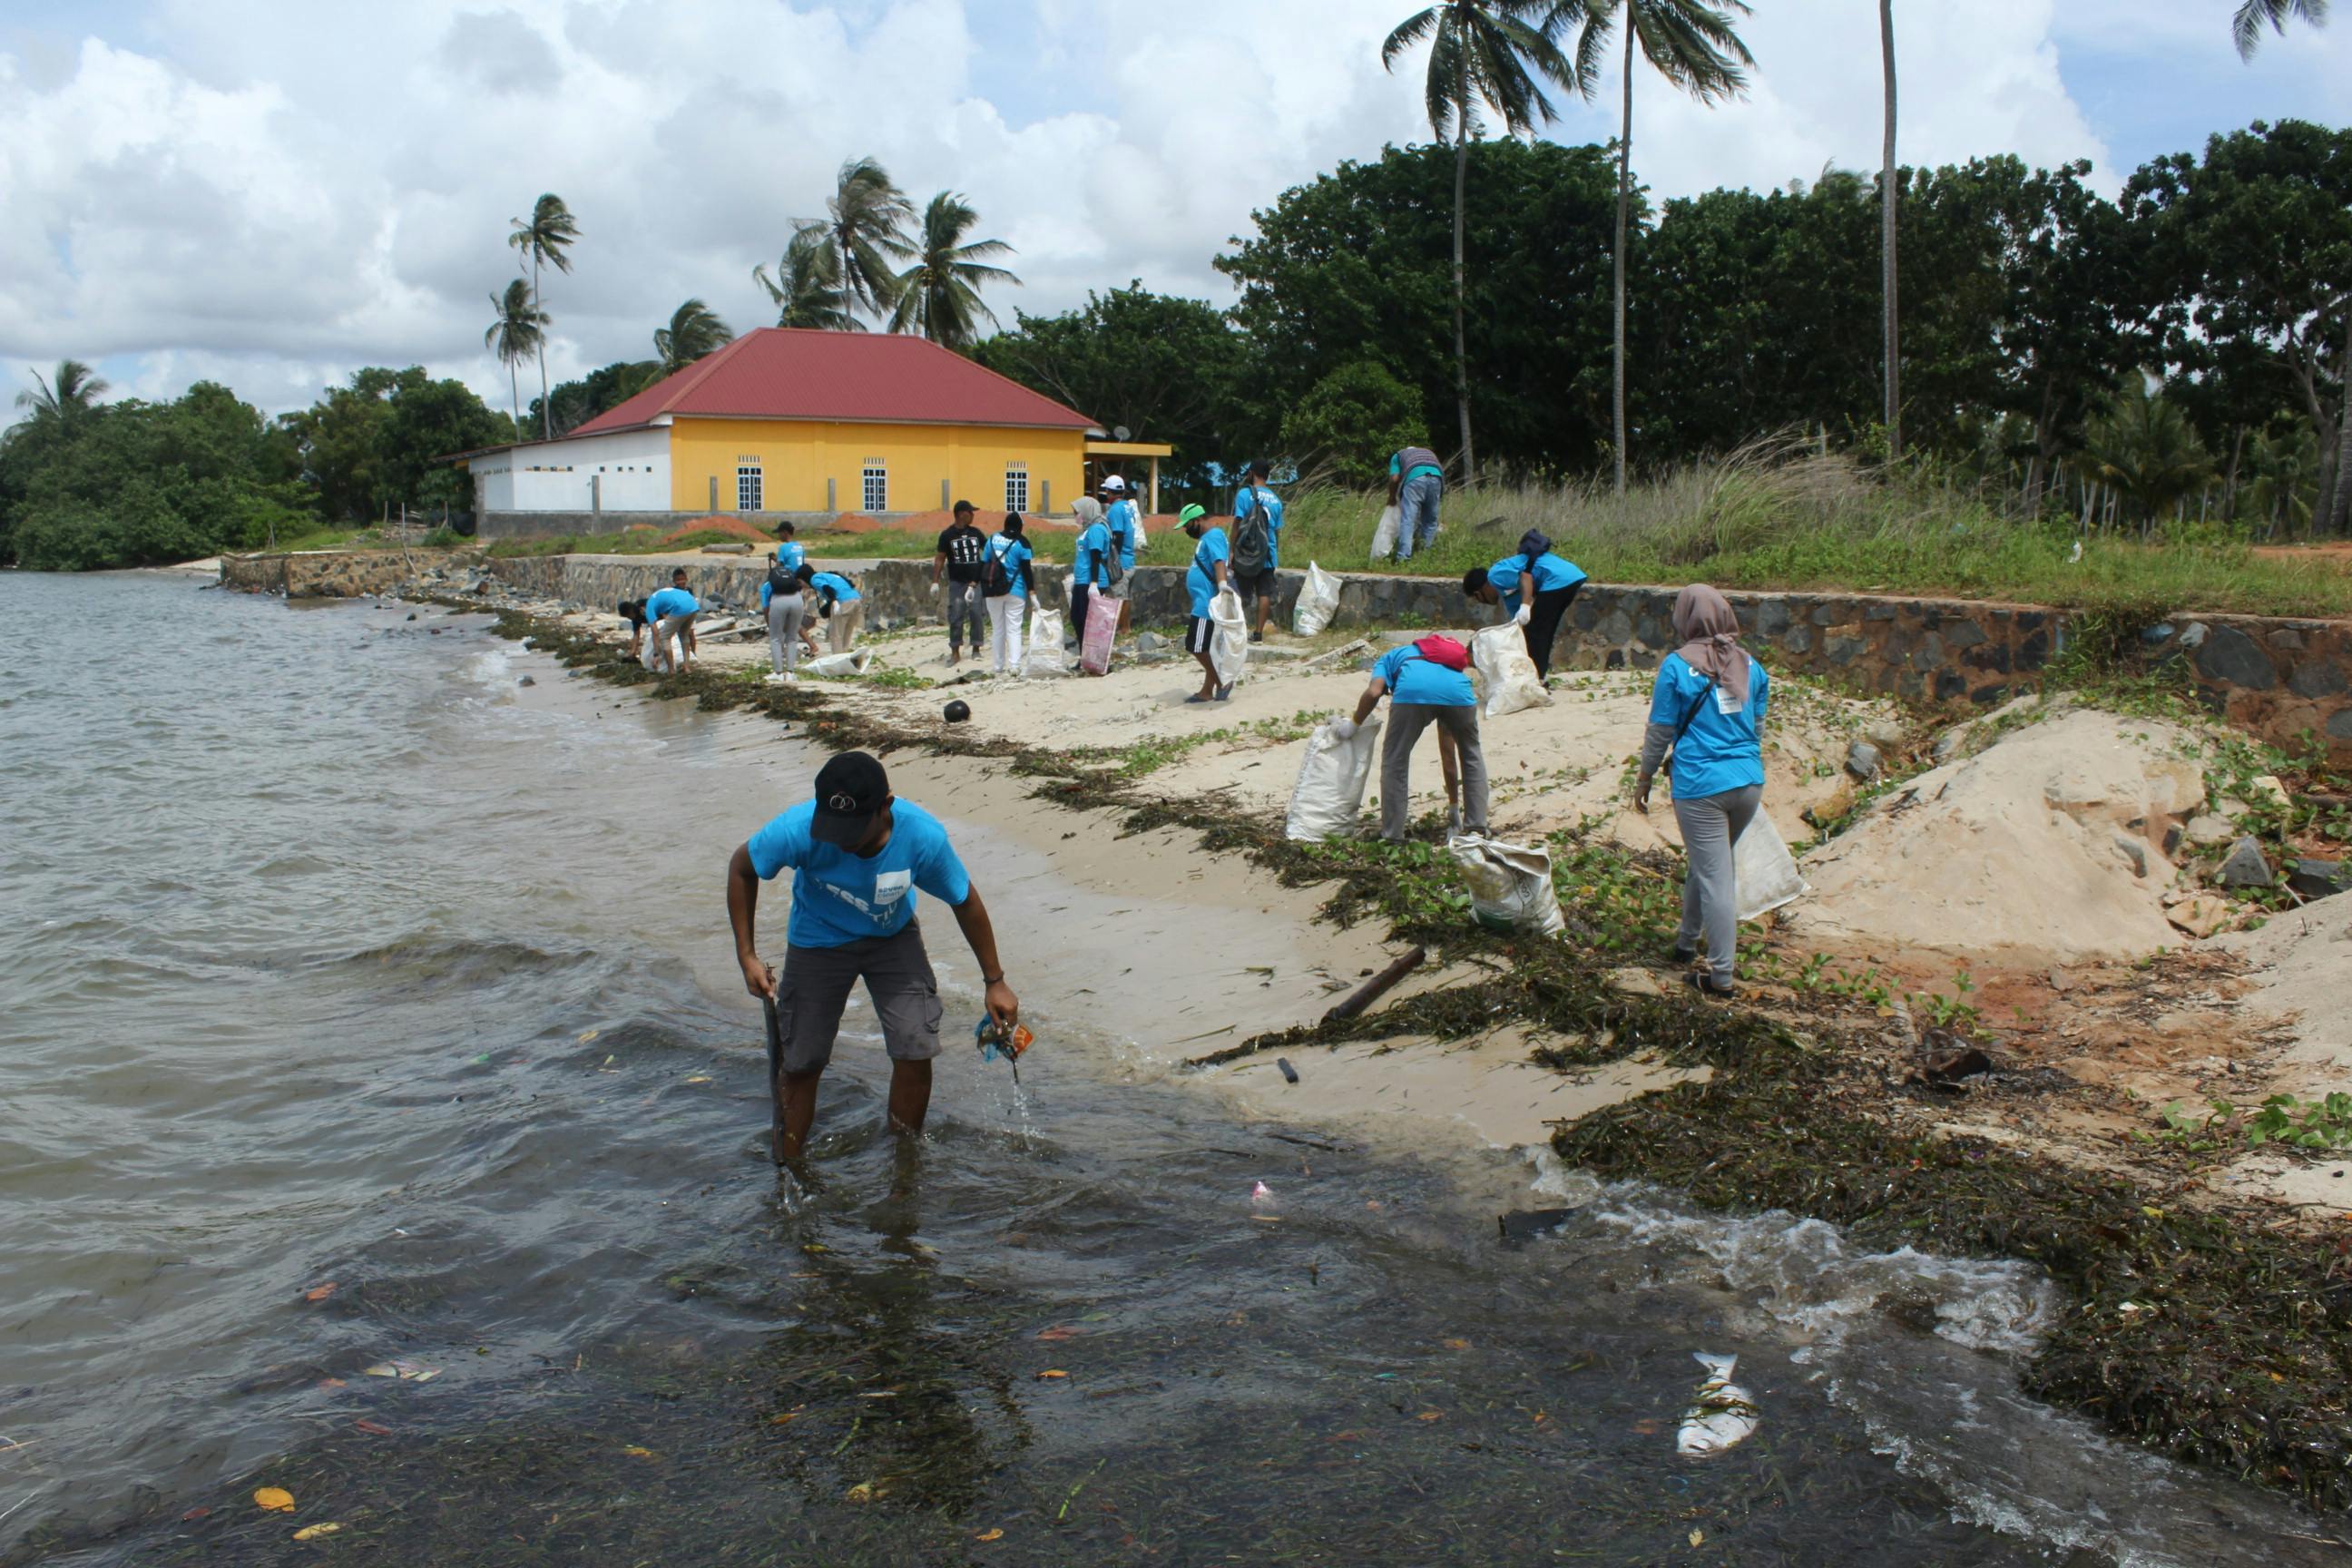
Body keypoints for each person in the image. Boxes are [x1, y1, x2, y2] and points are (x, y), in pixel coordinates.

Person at [726, 750, 1020, 1163]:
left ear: (886, 806)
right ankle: (788, 1166)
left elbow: (964, 900)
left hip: (892, 938)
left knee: (915, 1046)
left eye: (853, 829)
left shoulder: (921, 837)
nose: (841, 840)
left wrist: (995, 980)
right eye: (833, 827)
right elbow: (742, 867)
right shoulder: (798, 829)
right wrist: (747, 955)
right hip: (817, 942)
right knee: (802, 1060)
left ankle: (903, 1165)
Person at [1632, 585, 1769, 999]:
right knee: (1707, 863)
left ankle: (1721, 977)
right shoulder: (1750, 664)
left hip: (1699, 787)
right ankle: (1686, 943)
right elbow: (1757, 728)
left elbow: (1660, 732)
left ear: (1685, 617)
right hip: (1748, 782)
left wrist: (1645, 779)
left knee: (1715, 877)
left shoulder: (1675, 667)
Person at [1337, 635, 1489, 843]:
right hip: (1459, 695)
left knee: (1395, 760)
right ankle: (1477, 827)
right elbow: (1448, 754)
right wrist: (1453, 806)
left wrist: (1353, 725)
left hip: (1411, 694)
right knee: (1471, 755)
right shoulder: (1448, 664)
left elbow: (1373, 693)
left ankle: (1392, 836)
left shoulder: (1388, 658)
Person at [1461, 543, 1589, 681]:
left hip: (1557, 579)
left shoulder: (1495, 575)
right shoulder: (1508, 593)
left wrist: (1525, 606)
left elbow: (1526, 578)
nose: (1483, 602)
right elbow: (1519, 626)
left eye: (1478, 599)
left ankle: (1536, 679)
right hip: (1570, 578)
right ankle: (1539, 676)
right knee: (1541, 631)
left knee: (1536, 632)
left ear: (1478, 592)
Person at [1180, 503, 1231, 703]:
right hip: (1202, 600)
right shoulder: (1207, 538)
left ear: (1197, 520)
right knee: (1208, 647)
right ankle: (1207, 690)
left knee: (1196, 646)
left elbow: (1219, 561)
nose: (1186, 529)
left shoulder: (1214, 535)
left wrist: (1222, 585)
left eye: (1187, 525)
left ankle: (1222, 680)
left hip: (1205, 604)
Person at [1230, 459, 1283, 643]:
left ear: (1251, 473)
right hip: (1267, 553)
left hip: (1246, 553)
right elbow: (1276, 530)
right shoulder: (1276, 500)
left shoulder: (1245, 494)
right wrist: (1275, 552)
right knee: (1264, 593)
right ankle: (1258, 634)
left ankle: (1238, 631)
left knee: (1239, 594)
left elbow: (1237, 524)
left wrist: (1231, 551)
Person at [934, 501, 988, 666]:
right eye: (971, 512)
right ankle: (955, 651)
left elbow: (988, 551)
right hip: (957, 583)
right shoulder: (947, 535)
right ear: (962, 514)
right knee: (956, 615)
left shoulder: (976, 533)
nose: (973, 516)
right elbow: (940, 558)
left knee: (976, 614)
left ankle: (976, 648)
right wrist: (934, 581)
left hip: (975, 583)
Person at [980, 514, 1035, 675]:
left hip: (992, 590)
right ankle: (1014, 666)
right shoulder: (1023, 543)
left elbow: (983, 564)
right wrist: (1032, 593)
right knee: (1014, 629)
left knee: (998, 629)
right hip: (1015, 591)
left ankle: (998, 667)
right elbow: (1027, 570)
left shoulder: (992, 539)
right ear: (1020, 526)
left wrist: (973, 585)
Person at [1070, 496, 1117, 666]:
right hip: (1081, 580)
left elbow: (1095, 557)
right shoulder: (1088, 529)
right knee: (1077, 618)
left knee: (1088, 622)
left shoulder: (1097, 529)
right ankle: (1085, 657)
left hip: (1091, 581)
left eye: (1077, 512)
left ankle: (1094, 659)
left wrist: (1094, 584)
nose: (1075, 515)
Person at [760, 552, 813, 684]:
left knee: (776, 639)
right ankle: (790, 673)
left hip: (779, 601)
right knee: (792, 637)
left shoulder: (766, 587)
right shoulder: (792, 582)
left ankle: (778, 673)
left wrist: (769, 624)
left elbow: (766, 608)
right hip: (797, 600)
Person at [1387, 445, 1445, 564]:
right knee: (1430, 521)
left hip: (1415, 479)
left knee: (1408, 520)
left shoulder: (1398, 455)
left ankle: (1403, 559)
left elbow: (1394, 479)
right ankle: (1425, 557)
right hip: (1436, 478)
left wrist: (1392, 497)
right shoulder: (1428, 452)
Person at [1102, 476, 1142, 632]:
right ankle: (1125, 627)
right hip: (1129, 558)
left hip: (1121, 561)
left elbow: (1117, 535)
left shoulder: (1115, 510)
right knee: (1126, 596)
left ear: (1109, 492)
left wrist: (1114, 559)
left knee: (1119, 596)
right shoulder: (1127, 506)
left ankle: (1123, 628)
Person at [642, 569, 699, 673]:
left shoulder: (649, 606)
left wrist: (656, 654)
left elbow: (655, 632)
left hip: (681, 606)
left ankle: (671, 670)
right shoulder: (661, 597)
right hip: (693, 605)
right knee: (684, 635)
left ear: (642, 608)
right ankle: (687, 668)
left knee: (664, 637)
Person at [806, 565, 864, 653]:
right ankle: (845, 656)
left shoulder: (814, 579)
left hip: (843, 602)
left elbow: (828, 589)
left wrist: (834, 601)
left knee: (836, 634)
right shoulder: (829, 575)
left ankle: (837, 658)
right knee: (847, 633)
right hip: (856, 599)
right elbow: (849, 584)